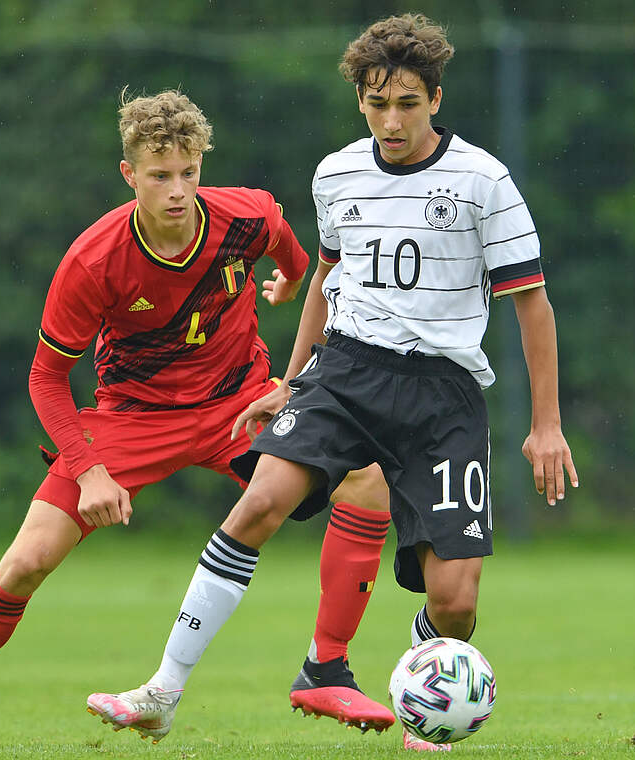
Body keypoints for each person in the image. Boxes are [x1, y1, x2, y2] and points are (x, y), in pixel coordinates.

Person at [87, 14, 580, 752]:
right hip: (346, 373)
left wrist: (546, 425)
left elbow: (532, 304)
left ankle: (421, 690)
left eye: (408, 103)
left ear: (436, 100)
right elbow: (324, 278)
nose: (392, 121)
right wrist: (289, 382)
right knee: (260, 503)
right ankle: (162, 690)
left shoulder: (483, 181)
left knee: (455, 600)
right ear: (360, 101)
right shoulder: (337, 173)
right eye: (378, 103)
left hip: (442, 396)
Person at [0, 89, 396, 749]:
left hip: (238, 404)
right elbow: (45, 377)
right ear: (129, 174)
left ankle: (326, 666)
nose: (178, 191)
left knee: (366, 478)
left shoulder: (246, 215)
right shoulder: (94, 260)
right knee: (26, 562)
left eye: (189, 172)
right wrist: (88, 471)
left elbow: (297, 258)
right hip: (131, 421)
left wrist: (287, 281)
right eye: (160, 175)